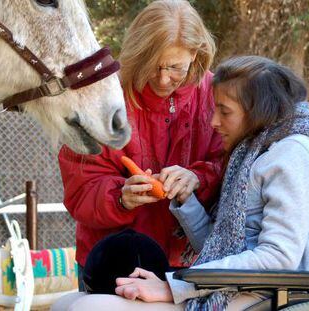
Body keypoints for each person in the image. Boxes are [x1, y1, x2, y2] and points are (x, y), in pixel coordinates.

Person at [52, 56, 309, 310]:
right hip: (228, 286)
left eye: (225, 111)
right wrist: (186, 201)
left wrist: (175, 287)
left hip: (260, 295)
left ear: (257, 110)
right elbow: (217, 245)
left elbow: (279, 257)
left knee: (88, 308)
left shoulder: (291, 155)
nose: (213, 121)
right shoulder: (250, 154)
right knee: (67, 303)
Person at [58, 0, 223, 290]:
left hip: (191, 262)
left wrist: (197, 178)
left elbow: (234, 166)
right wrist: (120, 198)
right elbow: (80, 188)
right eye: (153, 65)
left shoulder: (218, 95)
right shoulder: (105, 97)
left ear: (196, 54)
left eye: (175, 67)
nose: (162, 78)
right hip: (113, 261)